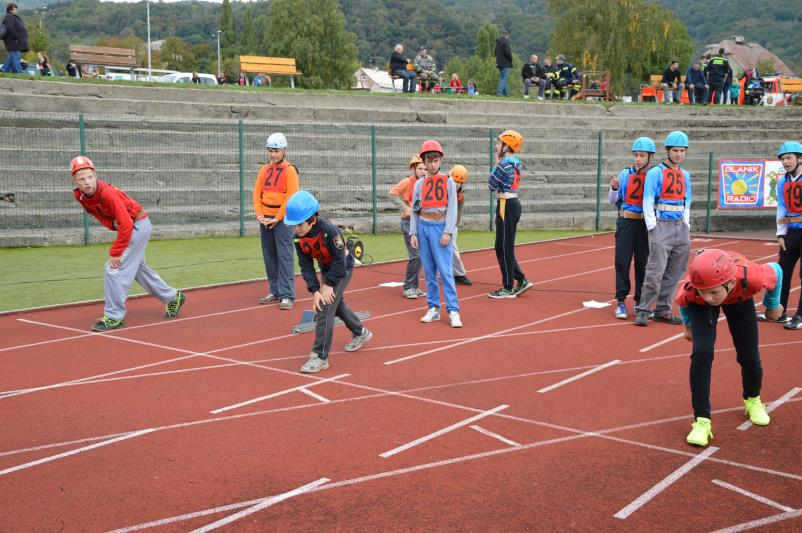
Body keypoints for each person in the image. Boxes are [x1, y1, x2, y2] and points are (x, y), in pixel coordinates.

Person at [677, 249, 781, 447]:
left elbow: (777, 269)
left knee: (749, 355)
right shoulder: (696, 290)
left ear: (730, 283)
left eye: (712, 293)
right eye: (703, 292)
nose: (708, 298)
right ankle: (701, 421)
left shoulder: (752, 277)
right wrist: (688, 326)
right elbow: (683, 300)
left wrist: (772, 305)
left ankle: (753, 399)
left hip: (739, 297)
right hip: (704, 304)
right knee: (702, 353)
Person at [69, 156, 185, 331]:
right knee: (138, 270)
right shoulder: (80, 196)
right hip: (131, 226)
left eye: (89, 177)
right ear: (74, 180)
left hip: (137, 226)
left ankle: (113, 316)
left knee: (113, 269)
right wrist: (110, 224)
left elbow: (127, 224)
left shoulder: (107, 193)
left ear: (95, 175)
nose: (86, 182)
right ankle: (172, 297)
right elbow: (98, 215)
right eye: (81, 179)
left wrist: (116, 251)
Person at [284, 191, 372, 373]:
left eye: (299, 224)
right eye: (293, 226)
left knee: (325, 307)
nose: (296, 229)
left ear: (312, 219)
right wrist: (315, 290)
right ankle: (361, 332)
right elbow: (305, 266)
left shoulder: (330, 231)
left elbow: (340, 260)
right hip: (326, 268)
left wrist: (328, 285)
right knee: (336, 305)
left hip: (341, 269)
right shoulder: (297, 238)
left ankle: (320, 357)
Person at [633, 131, 692, 326]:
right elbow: (647, 200)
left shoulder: (685, 175)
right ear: (667, 151)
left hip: (680, 227)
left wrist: (686, 225)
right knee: (655, 270)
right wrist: (653, 227)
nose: (679, 154)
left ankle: (663, 310)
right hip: (661, 226)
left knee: (675, 271)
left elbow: (687, 201)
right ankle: (643, 310)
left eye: (682, 151)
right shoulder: (656, 172)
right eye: (675, 150)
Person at [409, 139, 462, 328]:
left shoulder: (449, 181)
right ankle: (433, 308)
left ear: (440, 160)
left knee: (446, 271)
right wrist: (413, 233)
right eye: (428, 161)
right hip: (423, 227)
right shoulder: (418, 185)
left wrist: (448, 231)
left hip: (441, 228)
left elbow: (453, 208)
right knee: (429, 271)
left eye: (435, 160)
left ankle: (453, 310)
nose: (432, 164)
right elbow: (415, 209)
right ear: (424, 161)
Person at [609, 137, 654, 319]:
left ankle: (639, 302)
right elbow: (612, 201)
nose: (638, 159)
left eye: (642, 155)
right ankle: (620, 301)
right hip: (626, 222)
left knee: (643, 264)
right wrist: (613, 189)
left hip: (644, 224)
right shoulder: (624, 174)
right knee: (622, 262)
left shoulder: (653, 175)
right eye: (636, 155)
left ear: (650, 157)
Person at [252, 132, 298, 309]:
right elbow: (257, 194)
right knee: (269, 255)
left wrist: (277, 218)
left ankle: (287, 294)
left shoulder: (290, 170)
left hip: (283, 220)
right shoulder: (264, 169)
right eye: (270, 150)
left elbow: (290, 197)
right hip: (265, 219)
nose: (272, 154)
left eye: (276, 150)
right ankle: (275, 291)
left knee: (284, 256)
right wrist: (260, 215)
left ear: (284, 150)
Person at [487, 130, 532, 298]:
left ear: (507, 147)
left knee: (504, 248)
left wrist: (495, 165)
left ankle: (508, 287)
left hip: (506, 204)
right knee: (501, 247)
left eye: (499, 143)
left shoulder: (504, 164)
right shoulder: (515, 163)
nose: (497, 146)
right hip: (511, 203)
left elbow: (491, 185)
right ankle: (520, 279)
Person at [765, 141, 802, 329]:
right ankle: (779, 311)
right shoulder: (783, 182)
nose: (785, 162)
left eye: (788, 158)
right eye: (782, 159)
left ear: (799, 158)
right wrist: (780, 234)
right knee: (782, 273)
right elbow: (781, 208)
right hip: (791, 232)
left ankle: (800, 316)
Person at [389, 155, 426, 299]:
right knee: (415, 255)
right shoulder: (407, 182)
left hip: (421, 222)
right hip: (408, 222)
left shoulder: (426, 182)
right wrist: (405, 207)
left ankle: (414, 287)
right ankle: (408, 286)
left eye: (424, 168)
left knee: (420, 256)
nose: (423, 171)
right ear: (414, 169)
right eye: (420, 168)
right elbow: (392, 194)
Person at [449, 164, 471, 286]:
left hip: (451, 226)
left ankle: (459, 274)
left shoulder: (460, 197)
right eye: (454, 180)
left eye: (459, 182)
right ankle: (448, 272)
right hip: (437, 222)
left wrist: (451, 226)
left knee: (452, 248)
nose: (456, 184)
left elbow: (458, 215)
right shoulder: (444, 189)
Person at [1, 3, 28, 74]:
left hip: (15, 40)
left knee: (14, 55)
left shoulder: (12, 17)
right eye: (15, 8)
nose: (17, 10)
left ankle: (4, 69)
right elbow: (10, 28)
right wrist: (16, 36)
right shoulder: (9, 16)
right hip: (12, 40)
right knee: (15, 55)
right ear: (11, 9)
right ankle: (18, 72)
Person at [495, 31, 512, 97]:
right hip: (505, 62)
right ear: (506, 35)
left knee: (503, 78)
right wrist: (511, 59)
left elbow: (495, 52)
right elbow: (508, 52)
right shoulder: (506, 41)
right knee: (504, 78)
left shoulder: (497, 42)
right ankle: (499, 92)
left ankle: (506, 93)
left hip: (498, 62)